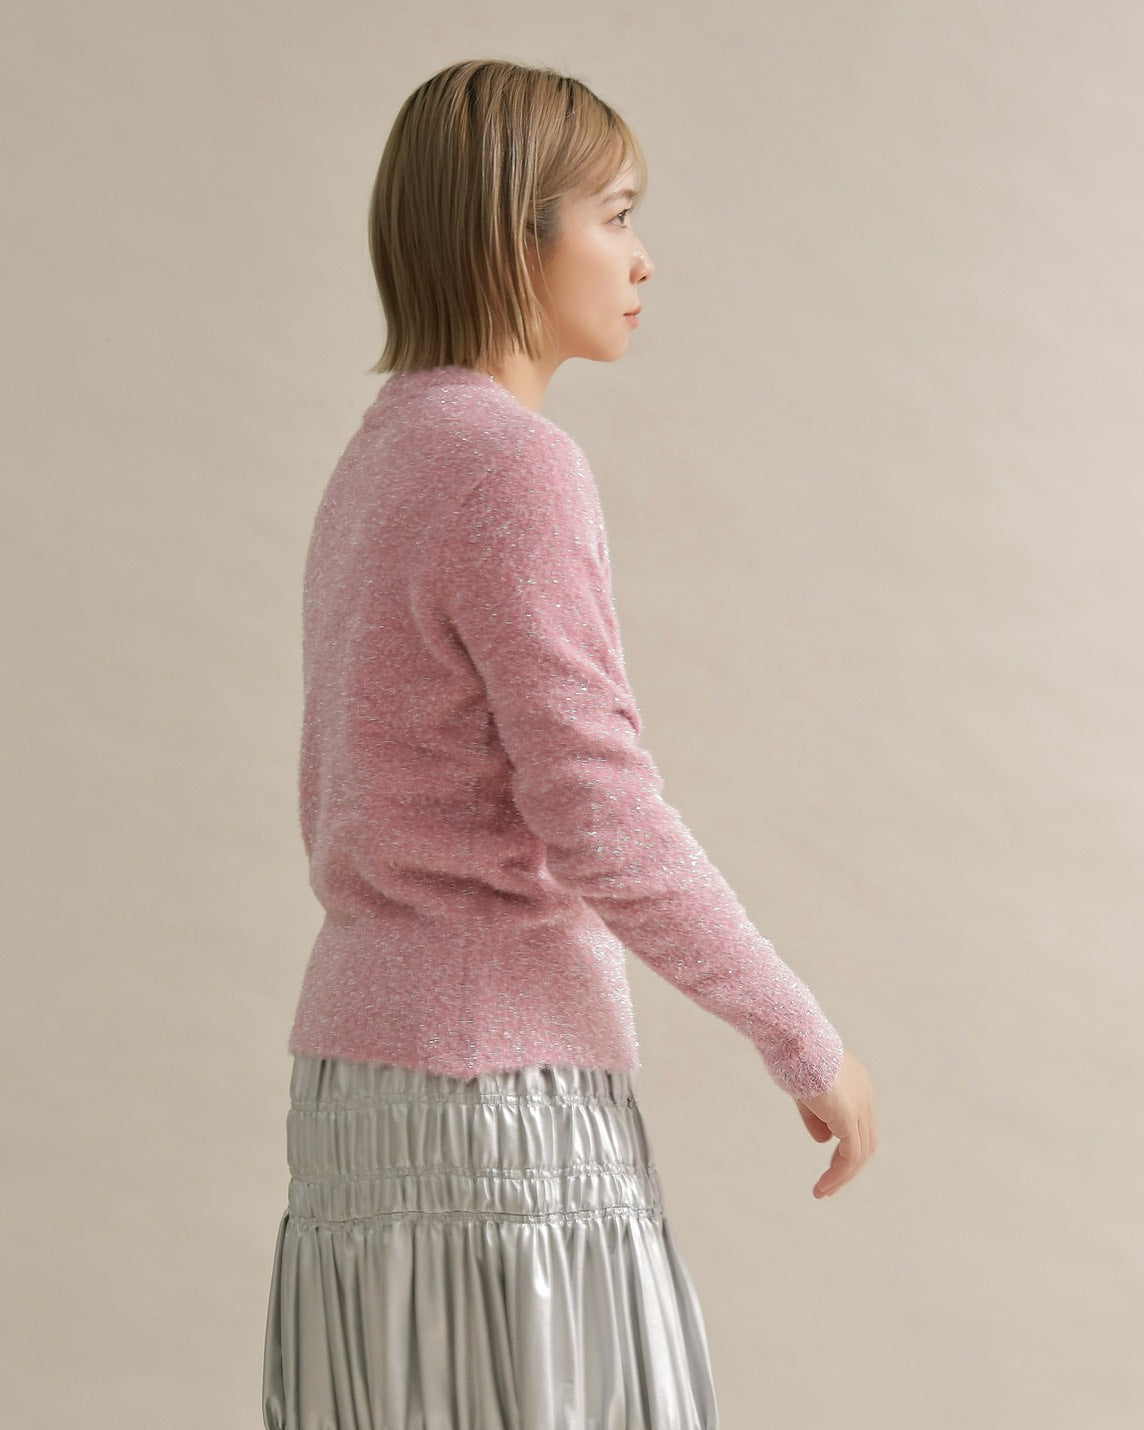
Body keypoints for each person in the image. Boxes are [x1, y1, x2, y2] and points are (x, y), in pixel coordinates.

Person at [261, 57, 877, 1430]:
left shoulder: (376, 459)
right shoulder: (512, 464)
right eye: (616, 215)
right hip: (502, 1105)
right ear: (512, 233)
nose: (643, 258)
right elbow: (599, 810)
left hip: (354, 1096)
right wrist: (803, 1037)